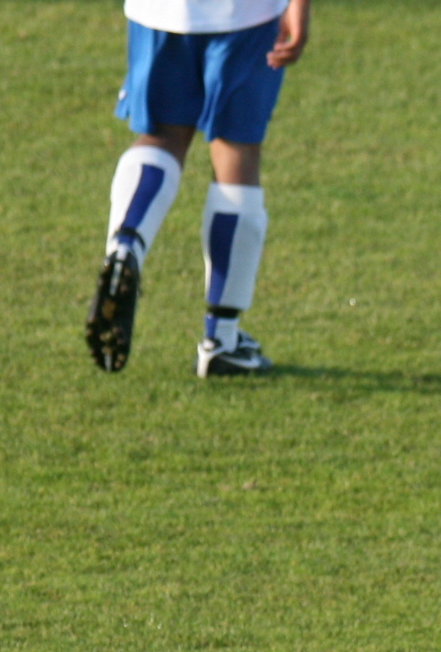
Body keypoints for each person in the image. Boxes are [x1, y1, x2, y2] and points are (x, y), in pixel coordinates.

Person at [85, 0, 312, 378]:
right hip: (246, 15)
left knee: (161, 134)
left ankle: (125, 247)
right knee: (235, 148)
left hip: (159, 12)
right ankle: (221, 340)